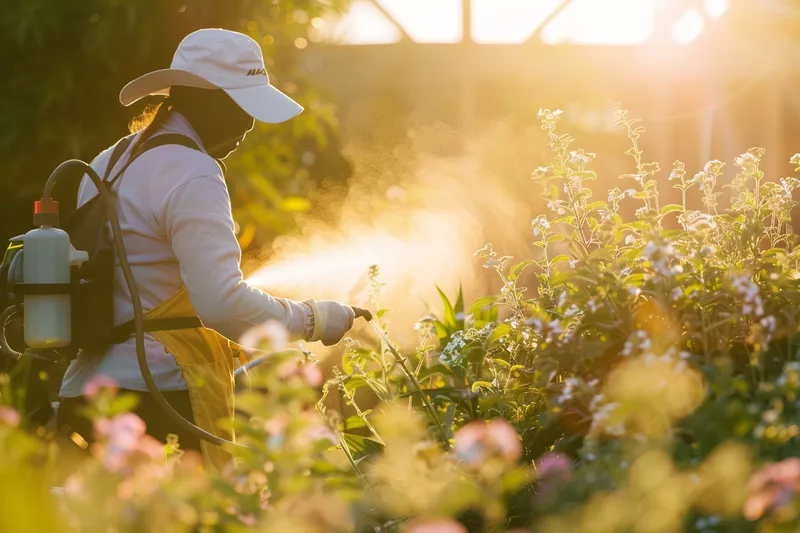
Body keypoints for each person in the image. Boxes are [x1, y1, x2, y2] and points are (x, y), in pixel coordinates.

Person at [56, 28, 357, 468]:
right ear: (202, 98)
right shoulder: (194, 173)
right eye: (240, 106)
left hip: (83, 397)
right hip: (155, 405)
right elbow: (221, 303)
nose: (250, 124)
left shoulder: (109, 160)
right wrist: (313, 319)